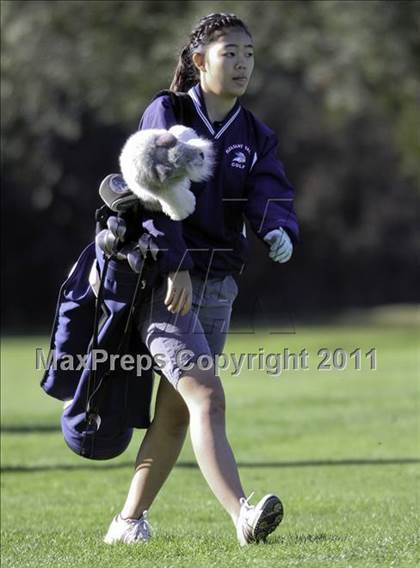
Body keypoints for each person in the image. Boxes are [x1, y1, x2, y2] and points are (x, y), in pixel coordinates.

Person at [104, 12, 299, 547]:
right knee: (207, 397)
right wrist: (178, 264)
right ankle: (244, 515)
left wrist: (278, 228)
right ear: (198, 61)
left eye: (249, 54)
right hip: (166, 283)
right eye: (228, 52)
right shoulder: (168, 112)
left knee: (175, 411)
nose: (241, 64)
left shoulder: (255, 133)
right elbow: (147, 191)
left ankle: (127, 524)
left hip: (220, 286)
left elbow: (270, 192)